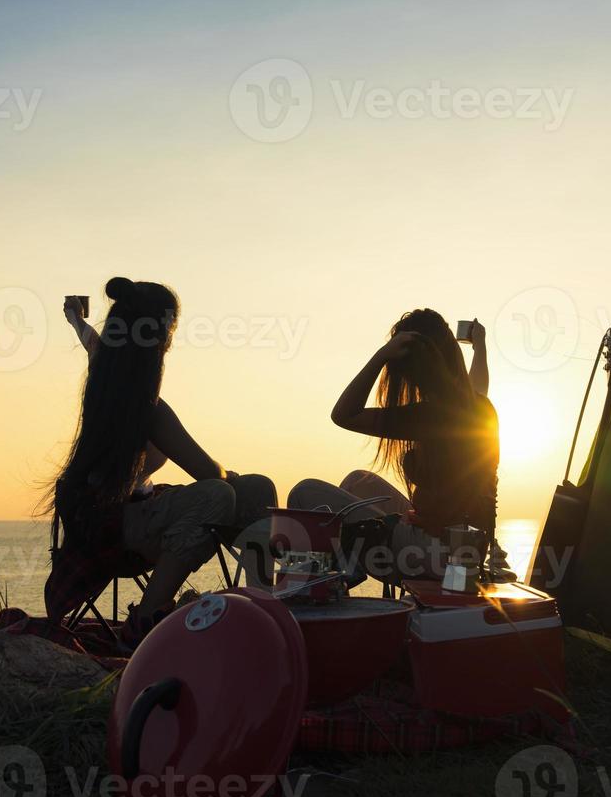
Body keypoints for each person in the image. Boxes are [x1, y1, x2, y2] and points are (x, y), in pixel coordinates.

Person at [44, 277, 275, 649]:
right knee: (227, 493)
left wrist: (75, 317)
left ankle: (262, 603)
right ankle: (148, 620)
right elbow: (207, 473)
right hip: (121, 533)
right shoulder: (147, 410)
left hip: (93, 524)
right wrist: (230, 477)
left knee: (245, 489)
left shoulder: (104, 375)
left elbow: (91, 341)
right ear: (161, 335)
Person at [288, 308, 515, 582]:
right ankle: (348, 563)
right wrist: (480, 346)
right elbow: (478, 386)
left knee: (304, 492)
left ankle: (315, 584)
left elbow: (343, 415)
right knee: (358, 481)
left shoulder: (429, 415)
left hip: (438, 554)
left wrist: (381, 355)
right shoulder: (478, 408)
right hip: (468, 549)